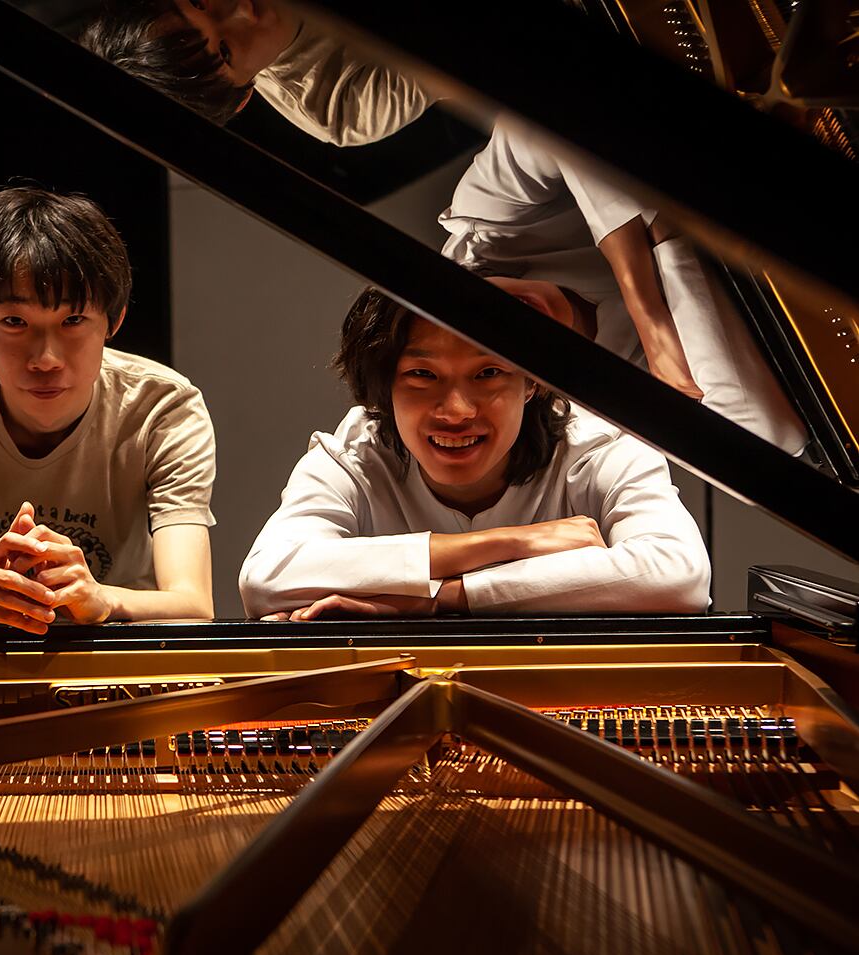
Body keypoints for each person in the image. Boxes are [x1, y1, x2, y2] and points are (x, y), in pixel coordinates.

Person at [238, 279, 712, 618]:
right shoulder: (354, 454)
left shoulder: (599, 447)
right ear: (385, 386)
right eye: (422, 375)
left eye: (488, 374)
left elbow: (678, 575)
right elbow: (267, 578)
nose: (458, 411)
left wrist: (441, 598)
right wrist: (508, 545)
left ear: (532, 383)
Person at [0, 187, 216, 634]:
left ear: (114, 320)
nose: (45, 358)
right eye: (15, 322)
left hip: (124, 662)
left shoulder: (163, 410)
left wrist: (99, 597)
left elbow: (193, 602)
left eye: (73, 321)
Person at [441, 121, 808, 454]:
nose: (505, 324)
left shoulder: (482, 230)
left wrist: (647, 311)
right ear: (529, 392)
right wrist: (665, 227)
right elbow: (772, 438)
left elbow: (561, 92)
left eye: (469, 317)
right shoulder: (599, 400)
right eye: (488, 370)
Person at [81, 0, 433, 145]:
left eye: (201, 1)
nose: (241, 10)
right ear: (242, 96)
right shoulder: (342, 108)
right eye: (225, 51)